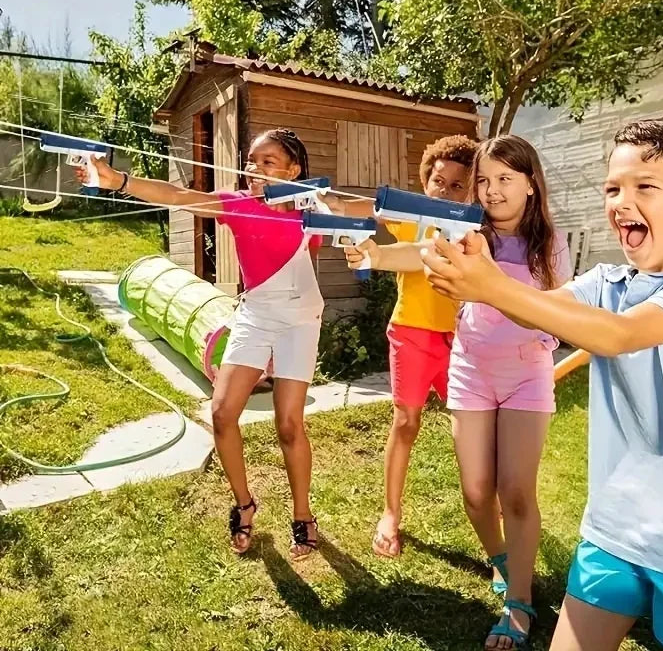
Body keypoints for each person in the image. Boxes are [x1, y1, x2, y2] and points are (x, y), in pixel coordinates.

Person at [422, 117, 663, 651]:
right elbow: (538, 310)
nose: (621, 203)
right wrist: (476, 274)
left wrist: (489, 285)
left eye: (644, 186)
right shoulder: (607, 281)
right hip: (612, 531)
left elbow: (618, 335)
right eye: (613, 189)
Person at [347, 135, 570, 651]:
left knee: (515, 491)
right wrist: (375, 253)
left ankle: (519, 602)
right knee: (475, 493)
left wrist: (489, 284)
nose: (492, 190)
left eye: (505, 179)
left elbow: (554, 313)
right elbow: (420, 254)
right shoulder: (467, 232)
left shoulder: (550, 244)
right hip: (471, 368)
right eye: (485, 180)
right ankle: (504, 559)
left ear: (531, 185)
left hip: (526, 371)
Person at [78, 129, 325, 559]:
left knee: (289, 425)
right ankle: (245, 505)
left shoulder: (313, 209)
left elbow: (344, 226)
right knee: (222, 413)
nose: (254, 169)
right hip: (255, 315)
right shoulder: (238, 203)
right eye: (251, 160)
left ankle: (302, 515)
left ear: (293, 170)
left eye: (267, 162)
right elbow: (178, 195)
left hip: (300, 321)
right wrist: (118, 181)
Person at [327, 135, 477, 558]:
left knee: (474, 429)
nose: (444, 191)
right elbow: (362, 207)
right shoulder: (411, 217)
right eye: (438, 181)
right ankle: (390, 514)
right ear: (424, 182)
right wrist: (325, 200)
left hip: (464, 339)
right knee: (406, 422)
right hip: (411, 331)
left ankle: (492, 509)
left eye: (457, 185)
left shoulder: (475, 231)